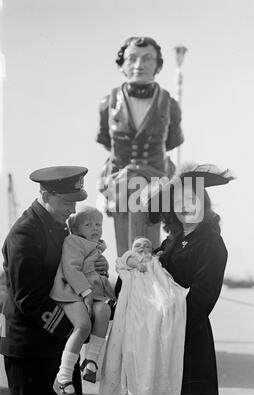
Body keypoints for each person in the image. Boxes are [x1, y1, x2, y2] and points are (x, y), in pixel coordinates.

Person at [0, 166, 109, 395]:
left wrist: (98, 268)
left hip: (57, 346)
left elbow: (73, 269)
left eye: (75, 203)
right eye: (67, 203)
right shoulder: (25, 233)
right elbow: (28, 299)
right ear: (46, 196)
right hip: (30, 351)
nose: (72, 210)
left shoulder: (60, 226)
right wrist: (78, 328)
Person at [146, 162, 235, 395]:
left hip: (188, 336)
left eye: (191, 200)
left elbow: (202, 299)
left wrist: (168, 319)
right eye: (178, 202)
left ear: (204, 206)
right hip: (163, 331)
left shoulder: (211, 243)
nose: (184, 206)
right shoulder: (171, 240)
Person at [96, 36, 184, 256]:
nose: (139, 65)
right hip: (119, 182)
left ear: (158, 65)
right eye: (132, 58)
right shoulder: (108, 104)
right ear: (121, 65)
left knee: (149, 248)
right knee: (124, 251)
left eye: (147, 59)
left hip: (155, 180)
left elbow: (172, 141)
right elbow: (108, 141)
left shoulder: (170, 105)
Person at [99, 236, 188, 395]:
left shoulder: (154, 261)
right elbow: (121, 283)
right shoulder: (129, 259)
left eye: (147, 246)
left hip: (152, 295)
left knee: (163, 307)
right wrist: (139, 264)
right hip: (134, 302)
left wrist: (155, 260)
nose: (142, 248)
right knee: (131, 351)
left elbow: (162, 277)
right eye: (138, 245)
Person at [50, 206, 117, 395]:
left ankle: (91, 360)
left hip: (90, 293)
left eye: (98, 224)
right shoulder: (73, 241)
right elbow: (71, 269)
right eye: (88, 225)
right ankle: (62, 378)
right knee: (83, 325)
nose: (95, 228)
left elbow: (96, 273)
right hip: (70, 291)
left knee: (104, 311)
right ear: (76, 229)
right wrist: (87, 292)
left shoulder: (96, 246)